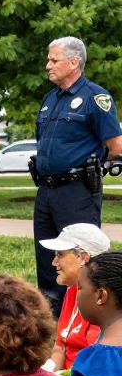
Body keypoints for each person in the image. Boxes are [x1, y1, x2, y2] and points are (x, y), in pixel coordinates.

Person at [33, 36, 122, 316]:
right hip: (46, 190)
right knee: (47, 255)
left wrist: (93, 169)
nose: (48, 65)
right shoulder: (50, 99)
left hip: (77, 192)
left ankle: (83, 314)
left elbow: (116, 145)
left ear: (74, 63)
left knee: (80, 255)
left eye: (54, 60)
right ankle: (52, 315)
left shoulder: (96, 98)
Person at [39, 223, 110, 370]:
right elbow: (60, 346)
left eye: (60, 255)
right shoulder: (73, 288)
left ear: (83, 258)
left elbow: (95, 362)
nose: (54, 262)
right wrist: (49, 371)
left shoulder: (103, 299)